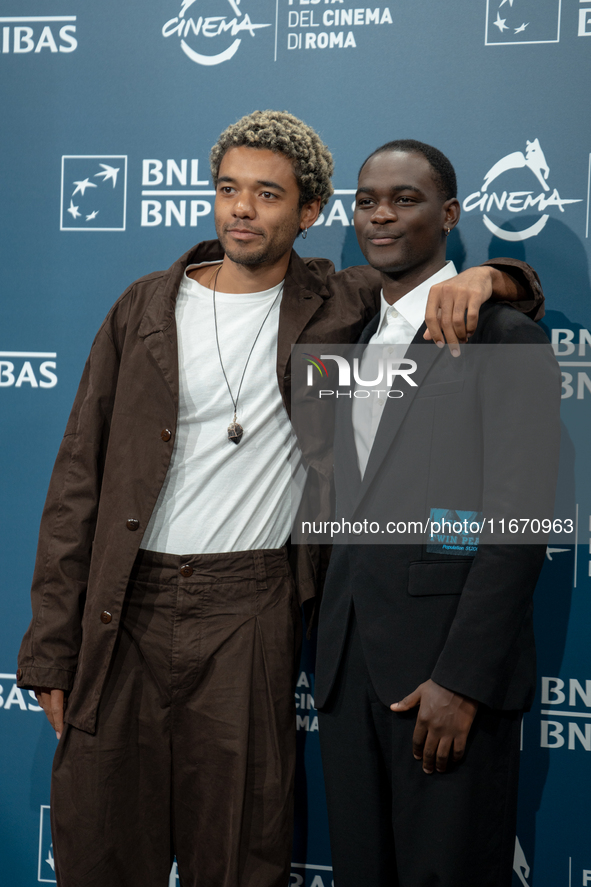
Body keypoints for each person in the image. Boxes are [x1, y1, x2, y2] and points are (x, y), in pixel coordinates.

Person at [17, 114, 545, 887]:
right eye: (228, 189)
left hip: (253, 606)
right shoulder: (142, 307)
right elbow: (76, 482)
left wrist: (494, 275)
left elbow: (443, 286)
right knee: (101, 843)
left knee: (236, 850)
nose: (241, 208)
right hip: (124, 603)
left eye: (267, 194)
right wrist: (51, 644)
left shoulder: (333, 302)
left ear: (306, 213)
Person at [314, 140, 560, 887]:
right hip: (346, 669)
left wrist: (463, 680)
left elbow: (516, 523)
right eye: (365, 199)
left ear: (449, 214)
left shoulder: (504, 334)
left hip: (445, 683)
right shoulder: (346, 337)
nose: (380, 214)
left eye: (404, 198)